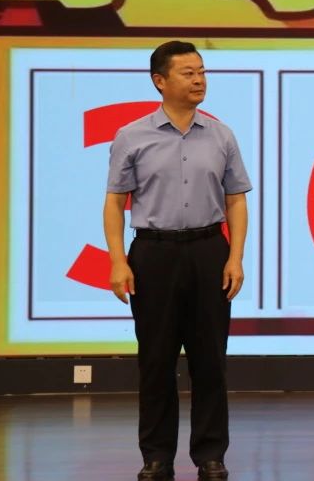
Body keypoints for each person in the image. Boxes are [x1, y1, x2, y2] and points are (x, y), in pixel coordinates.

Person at [104, 41, 252, 481]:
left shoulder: (221, 135)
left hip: (208, 250)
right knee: (156, 360)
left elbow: (236, 200)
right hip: (153, 254)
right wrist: (118, 261)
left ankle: (211, 455)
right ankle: (156, 456)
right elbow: (114, 203)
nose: (199, 80)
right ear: (160, 81)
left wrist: (236, 257)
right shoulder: (131, 136)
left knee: (211, 360)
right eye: (188, 73)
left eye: (202, 71)